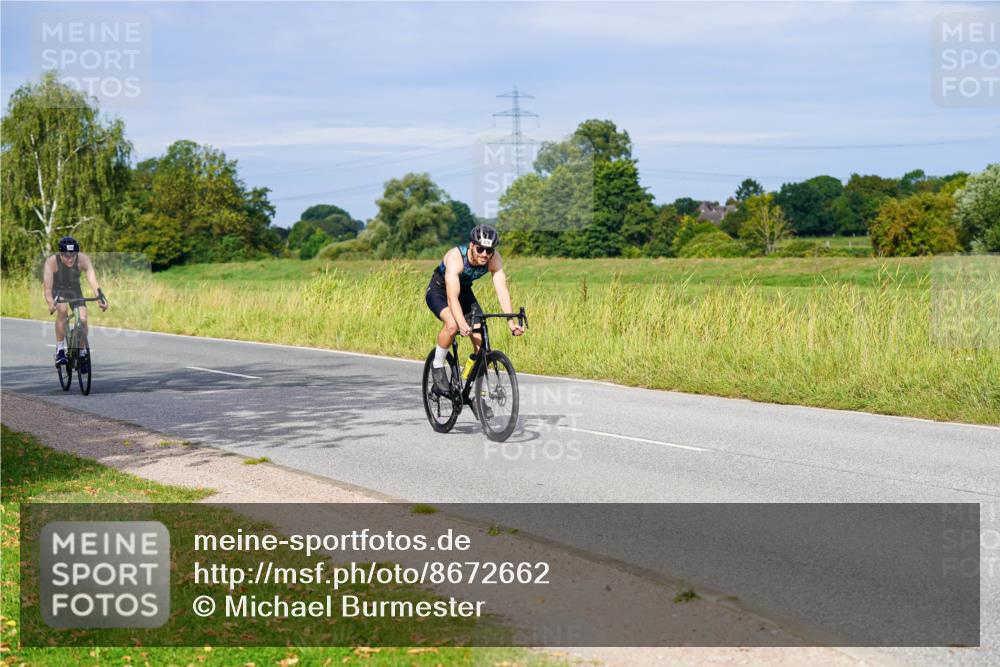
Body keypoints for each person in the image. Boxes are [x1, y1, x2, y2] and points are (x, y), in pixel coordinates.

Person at [425, 224, 524, 395]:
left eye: (489, 250)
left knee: (481, 345)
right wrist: (462, 323)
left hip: (464, 292)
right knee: (452, 325)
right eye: (480, 249)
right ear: (472, 245)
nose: (485, 254)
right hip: (439, 291)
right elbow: (451, 298)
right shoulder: (456, 258)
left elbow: (502, 290)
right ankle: (438, 365)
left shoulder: (494, 258)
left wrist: (511, 321)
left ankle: (475, 394)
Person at [42, 236, 108, 369]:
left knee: (83, 318)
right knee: (63, 311)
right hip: (58, 291)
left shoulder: (83, 260)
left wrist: (100, 297)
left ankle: (82, 352)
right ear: (60, 254)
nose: (70, 258)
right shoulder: (52, 262)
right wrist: (50, 303)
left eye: (73, 255)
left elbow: (93, 281)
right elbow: (47, 290)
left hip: (74, 290)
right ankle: (60, 351)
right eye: (66, 256)